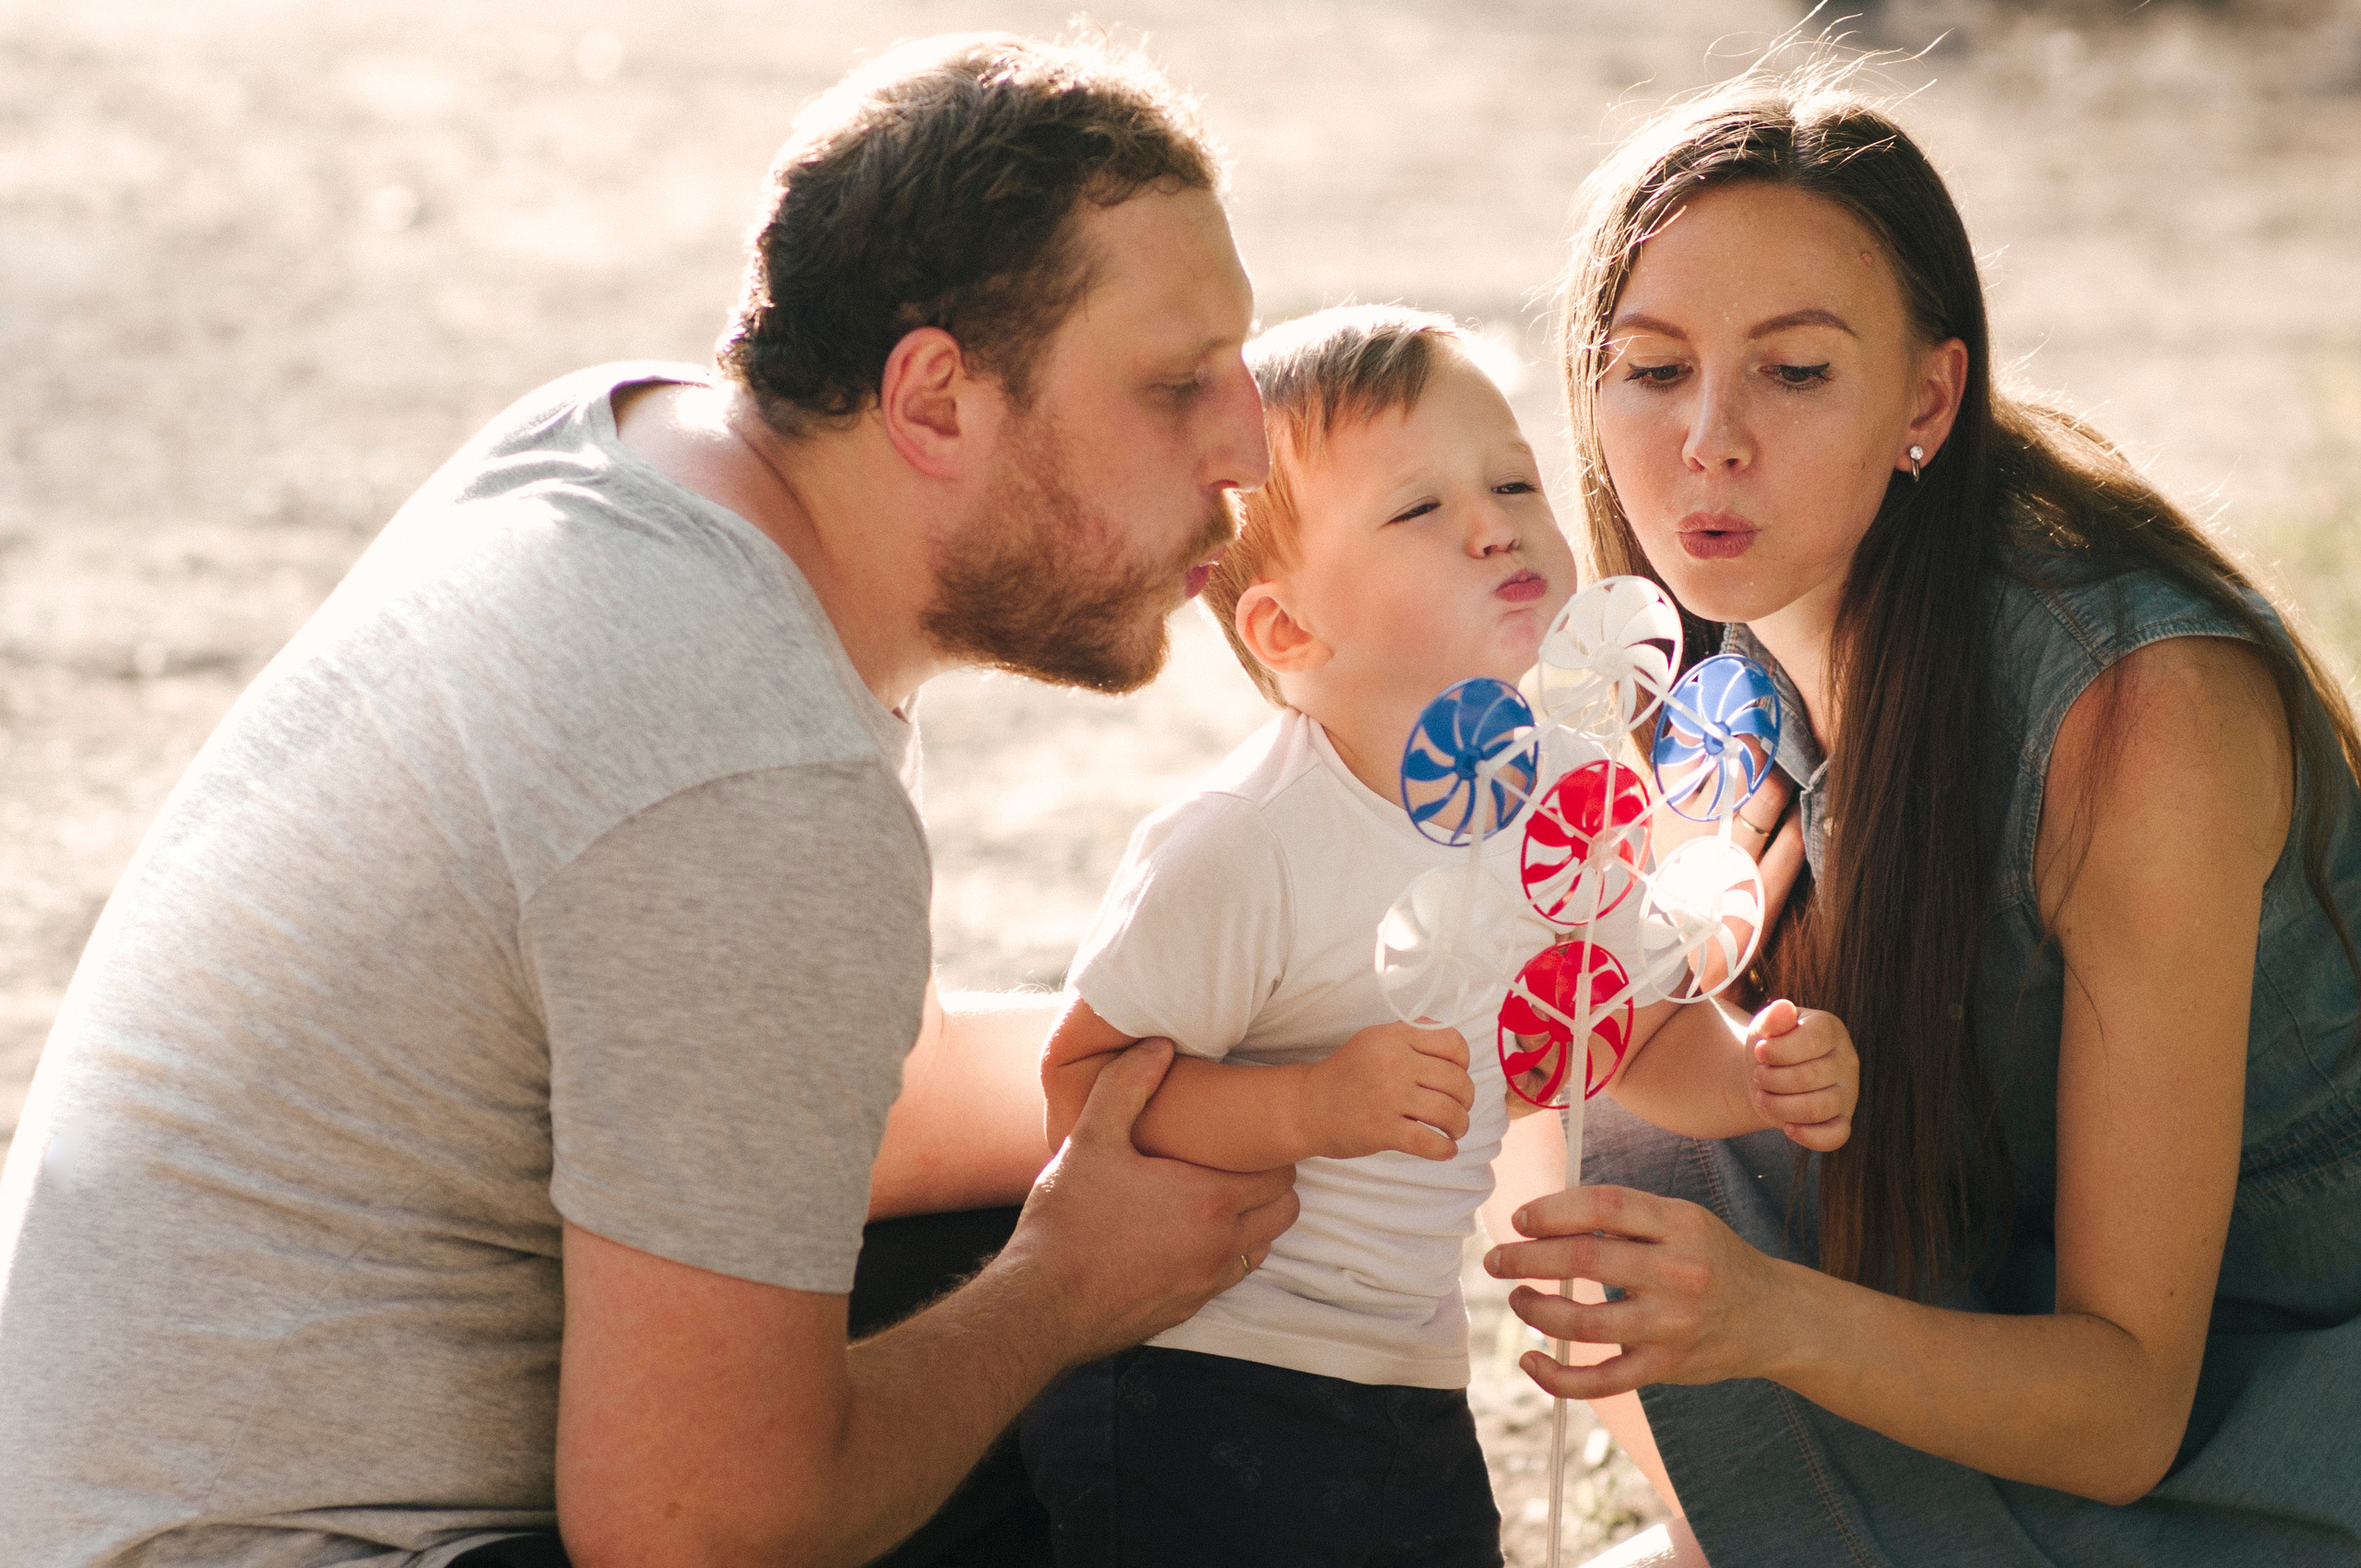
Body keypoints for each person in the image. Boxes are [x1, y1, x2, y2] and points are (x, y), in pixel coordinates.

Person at [0, 33, 1306, 1568]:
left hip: (106, 1505)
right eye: (1175, 387)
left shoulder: (624, 452)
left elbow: (834, 1112)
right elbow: (695, 1533)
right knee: (1097, 1372)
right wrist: (1062, 1293)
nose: (1251, 445)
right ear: (936, 398)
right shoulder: (749, 773)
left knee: (1097, 1227)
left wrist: (1293, 1042)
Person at [1484, 68, 2361, 1567]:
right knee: (1600, 1073)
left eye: (1796, 372)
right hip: (1990, 1268)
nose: (1709, 440)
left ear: (1929, 400)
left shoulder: (2140, 719)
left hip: (2270, 1372)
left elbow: (2132, 1405)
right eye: (1650, 368)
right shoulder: (1700, 642)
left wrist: (1770, 1323)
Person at [1021, 305, 1858, 1566]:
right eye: (1419, 511)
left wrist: (1754, 1073)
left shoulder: (1576, 799)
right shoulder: (1250, 846)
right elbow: (1082, 1090)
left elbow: (1620, 1036)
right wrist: (1307, 1110)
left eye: (1514, 481)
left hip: (1405, 1374)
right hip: (1190, 1369)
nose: (1494, 521)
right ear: (1292, 635)